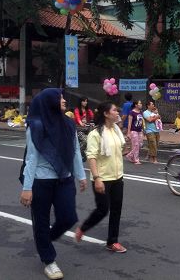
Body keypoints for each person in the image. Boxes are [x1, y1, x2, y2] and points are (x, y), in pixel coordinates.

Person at [19, 88, 87, 280]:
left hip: (64, 179)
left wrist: (81, 176)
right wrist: (27, 188)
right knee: (41, 221)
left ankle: (44, 240)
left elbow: (74, 152)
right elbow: (31, 158)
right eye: (60, 97)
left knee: (68, 217)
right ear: (49, 101)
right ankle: (49, 260)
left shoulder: (68, 124)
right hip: (41, 181)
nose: (64, 100)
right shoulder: (36, 125)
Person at [75, 101, 127, 254]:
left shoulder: (116, 130)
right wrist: (96, 178)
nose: (117, 112)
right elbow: (91, 156)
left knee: (116, 210)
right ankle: (83, 228)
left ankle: (112, 241)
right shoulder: (95, 134)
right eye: (114, 110)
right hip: (102, 178)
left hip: (118, 177)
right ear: (106, 114)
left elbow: (116, 151)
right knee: (103, 209)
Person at [125, 100, 144, 165]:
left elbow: (142, 122)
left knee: (140, 144)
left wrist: (143, 129)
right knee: (136, 145)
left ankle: (130, 155)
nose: (141, 104)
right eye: (140, 103)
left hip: (140, 130)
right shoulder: (131, 112)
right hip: (134, 130)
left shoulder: (141, 112)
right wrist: (128, 132)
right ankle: (136, 159)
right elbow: (129, 123)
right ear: (136, 105)